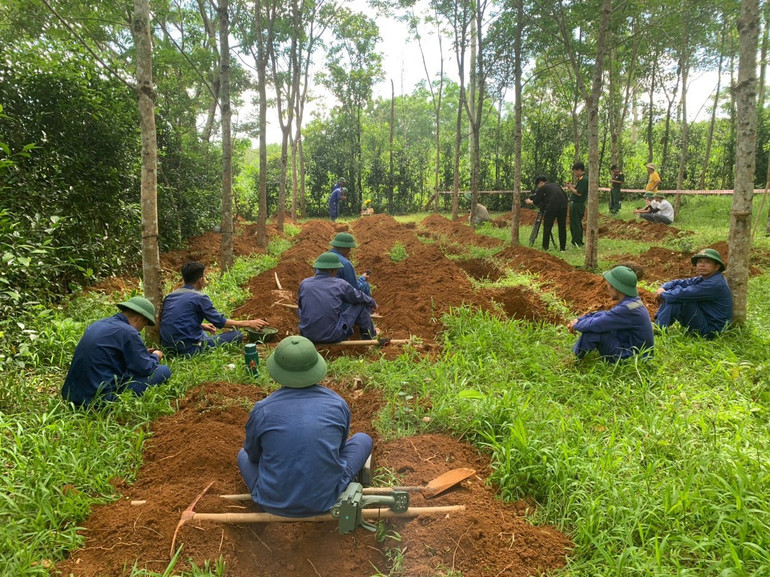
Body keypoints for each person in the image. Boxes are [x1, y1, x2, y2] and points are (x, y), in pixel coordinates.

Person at [237, 335, 372, 517]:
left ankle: (272, 492)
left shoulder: (263, 410)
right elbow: (339, 450)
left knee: (242, 454)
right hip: (327, 499)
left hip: (272, 502)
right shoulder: (337, 404)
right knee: (363, 439)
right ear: (316, 367)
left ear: (277, 371)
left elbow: (253, 455)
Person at [62, 297, 172, 406]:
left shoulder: (98, 324)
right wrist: (155, 356)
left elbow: (110, 354)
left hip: (71, 396)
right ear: (139, 319)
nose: (142, 329)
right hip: (100, 399)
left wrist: (141, 353)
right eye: (144, 325)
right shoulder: (129, 332)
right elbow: (145, 368)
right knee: (163, 371)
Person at [160, 262, 269, 356]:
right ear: (200, 279)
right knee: (237, 335)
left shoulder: (170, 296)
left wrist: (201, 325)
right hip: (188, 348)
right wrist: (249, 323)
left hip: (169, 347)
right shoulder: (199, 297)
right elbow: (220, 322)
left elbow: (176, 319)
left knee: (201, 332)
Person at [567, 266, 654, 361]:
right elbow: (605, 315)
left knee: (593, 330)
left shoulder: (626, 308)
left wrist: (576, 325)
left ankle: (574, 359)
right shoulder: (632, 303)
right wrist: (579, 320)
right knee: (596, 322)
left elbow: (597, 324)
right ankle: (577, 355)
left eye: (608, 284)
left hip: (632, 357)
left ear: (615, 286)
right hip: (636, 352)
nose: (607, 287)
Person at [298, 252, 378, 343]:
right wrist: (372, 302)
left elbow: (300, 309)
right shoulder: (339, 284)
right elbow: (357, 296)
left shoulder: (305, 284)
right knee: (361, 304)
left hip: (307, 335)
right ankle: (370, 339)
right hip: (332, 336)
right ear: (334, 271)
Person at [654, 248, 733, 338]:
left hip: (712, 331)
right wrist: (663, 288)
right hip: (704, 320)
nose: (702, 265)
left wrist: (662, 294)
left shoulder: (714, 284)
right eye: (699, 261)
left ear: (717, 267)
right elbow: (680, 282)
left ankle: (658, 328)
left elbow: (681, 295)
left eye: (707, 262)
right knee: (675, 293)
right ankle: (658, 326)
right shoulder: (704, 278)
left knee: (678, 298)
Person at [525, 175, 568, 252]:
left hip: (552, 207)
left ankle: (545, 247)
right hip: (563, 206)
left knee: (547, 227)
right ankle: (562, 248)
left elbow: (536, 201)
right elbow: (564, 195)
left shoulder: (542, 188)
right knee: (562, 227)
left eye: (538, 185)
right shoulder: (556, 185)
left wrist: (529, 201)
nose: (538, 187)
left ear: (541, 183)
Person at [564, 161, 587, 247]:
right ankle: (576, 240)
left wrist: (570, 188)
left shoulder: (584, 180)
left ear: (579, 170)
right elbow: (577, 188)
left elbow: (579, 193)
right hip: (575, 204)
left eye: (575, 171)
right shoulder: (581, 179)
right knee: (574, 223)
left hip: (577, 204)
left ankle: (577, 241)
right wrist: (571, 186)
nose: (574, 173)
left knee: (576, 223)